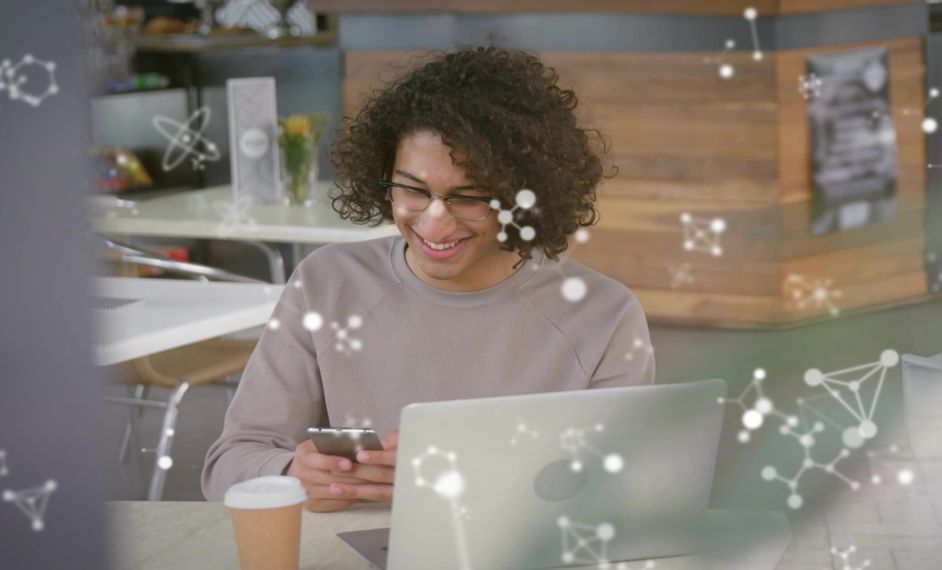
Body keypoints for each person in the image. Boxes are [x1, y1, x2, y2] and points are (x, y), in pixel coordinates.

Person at [201, 45, 655, 511]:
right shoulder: (325, 283)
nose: (435, 223)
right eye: (413, 190)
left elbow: (629, 495)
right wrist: (289, 474)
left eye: (471, 196)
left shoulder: (604, 315)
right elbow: (228, 464)